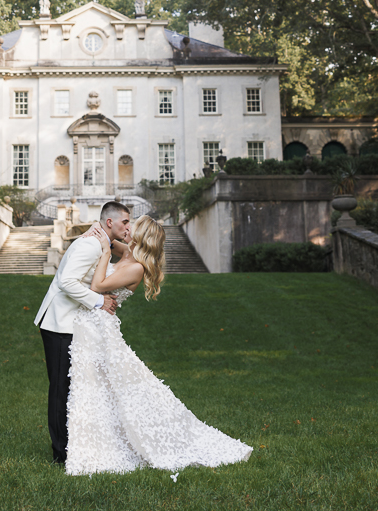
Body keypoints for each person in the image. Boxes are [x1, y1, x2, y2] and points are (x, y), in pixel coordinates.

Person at [65, 214, 253, 476]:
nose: (127, 228)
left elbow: (97, 285)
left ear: (141, 237)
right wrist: (97, 232)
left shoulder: (136, 267)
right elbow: (106, 239)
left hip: (100, 327)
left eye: (133, 227)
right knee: (98, 386)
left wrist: (105, 254)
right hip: (90, 324)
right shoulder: (128, 252)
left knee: (110, 386)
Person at [34, 201, 131, 463]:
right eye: (125, 222)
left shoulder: (101, 242)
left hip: (71, 323)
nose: (128, 227)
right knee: (60, 389)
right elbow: (66, 281)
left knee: (69, 387)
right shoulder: (90, 244)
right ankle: (60, 454)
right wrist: (100, 302)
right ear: (109, 222)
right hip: (58, 323)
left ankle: (69, 445)